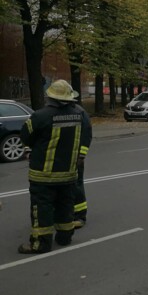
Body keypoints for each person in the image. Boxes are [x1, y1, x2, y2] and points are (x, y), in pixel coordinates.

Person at [18, 79, 93, 254]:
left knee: (41, 208)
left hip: (43, 175)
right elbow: (85, 136)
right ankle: (65, 237)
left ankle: (40, 244)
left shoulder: (40, 116)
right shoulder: (78, 114)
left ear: (50, 97)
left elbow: (25, 136)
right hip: (68, 173)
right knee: (65, 205)